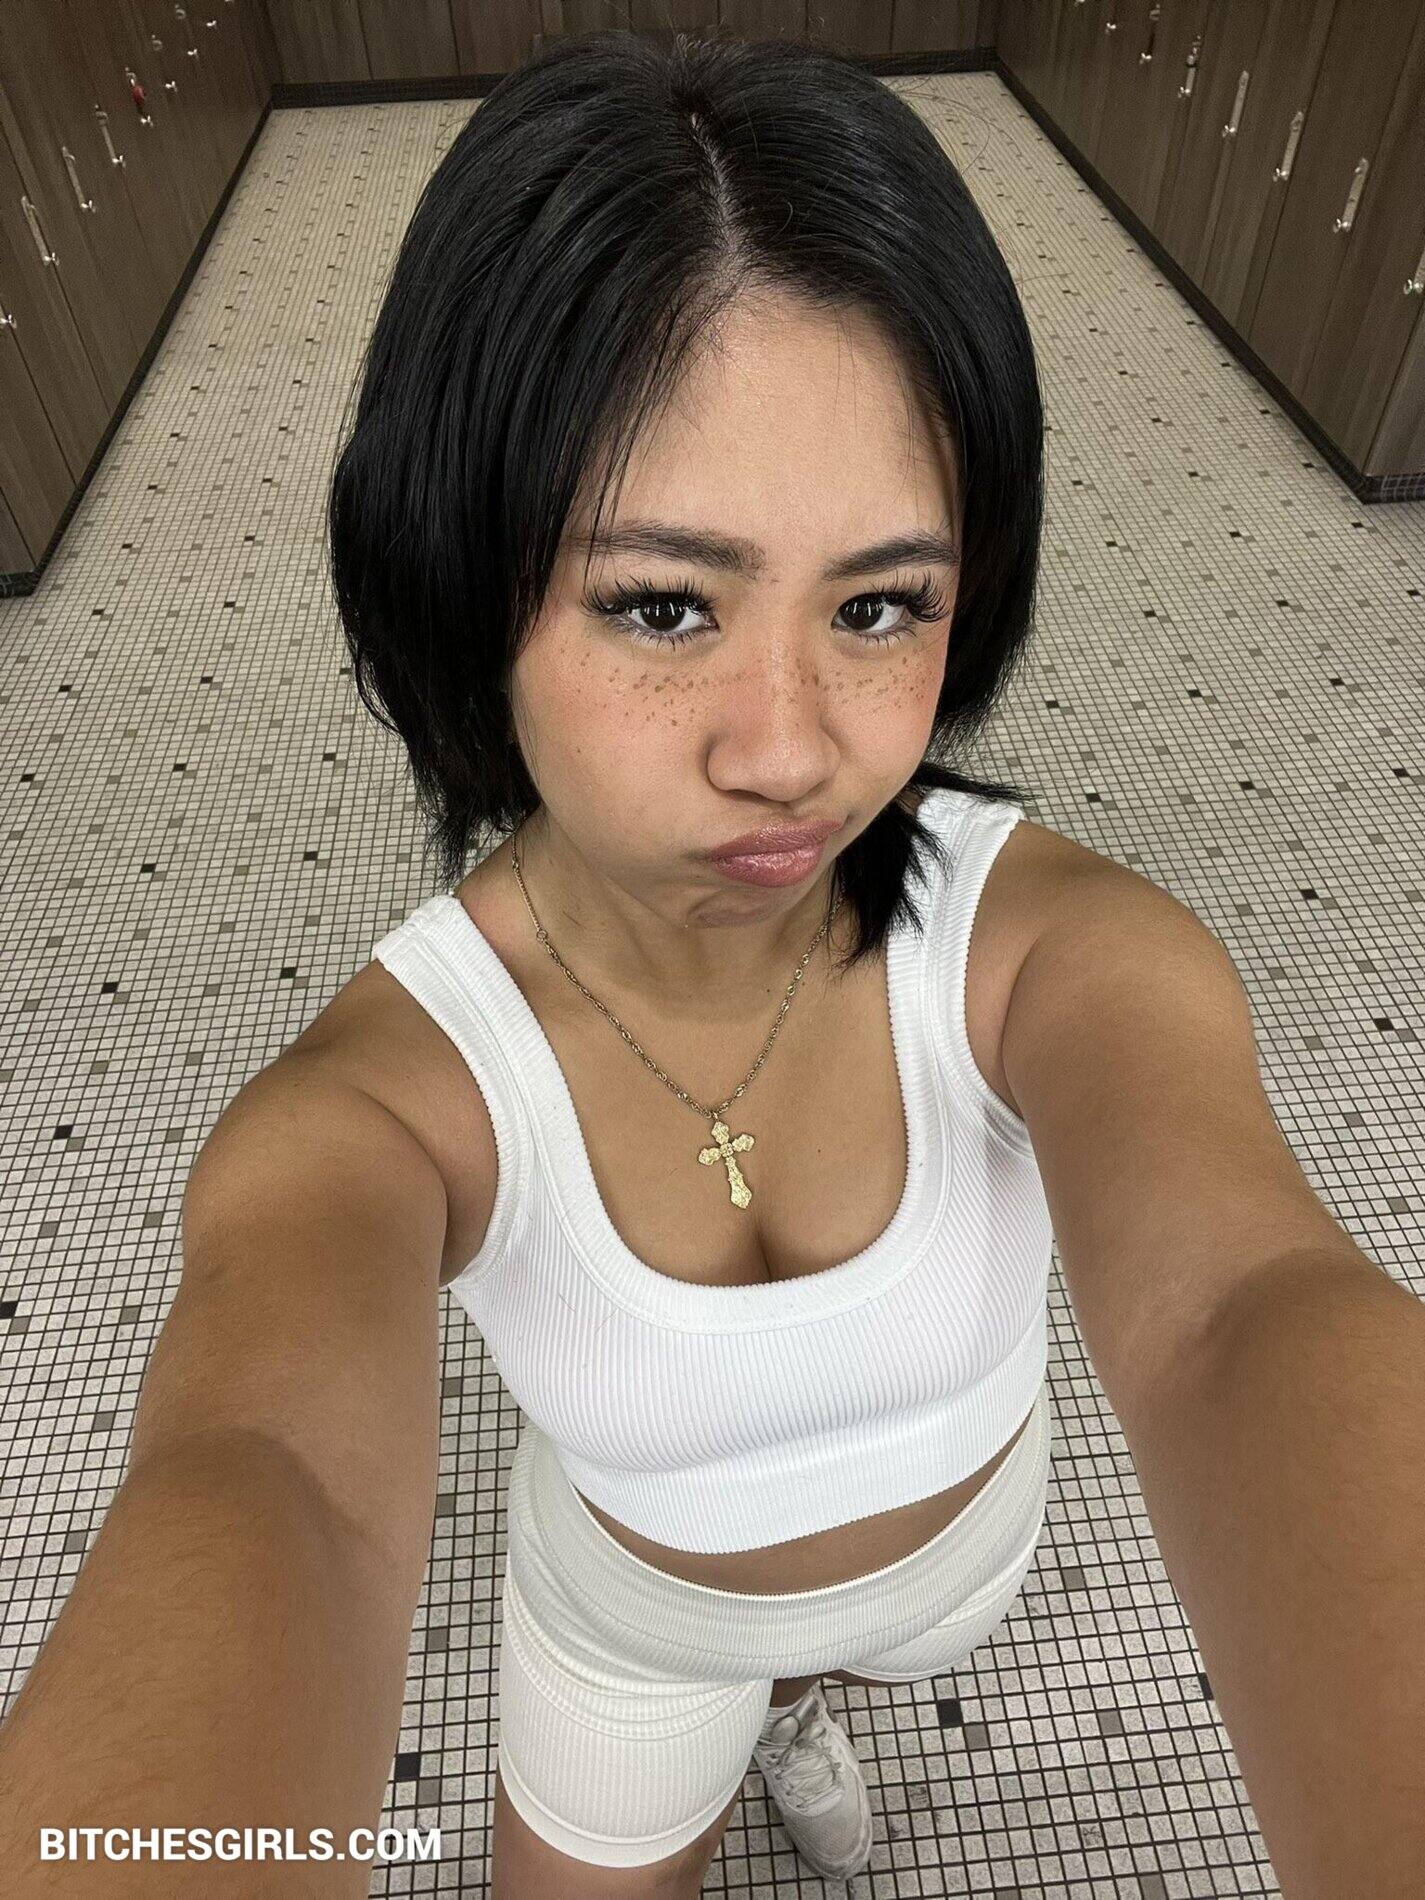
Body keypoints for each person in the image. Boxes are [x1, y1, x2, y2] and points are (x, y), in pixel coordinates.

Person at [5, 28, 1421, 1900]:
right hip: (637, 1621)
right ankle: (750, 1697)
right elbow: (274, 1477)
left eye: (879, 604)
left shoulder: (1058, 954)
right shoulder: (378, 1109)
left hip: (957, 1568)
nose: (790, 750)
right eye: (662, 604)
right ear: (463, 589)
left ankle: (804, 1697)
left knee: (855, 1650)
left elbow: (1245, 1301)